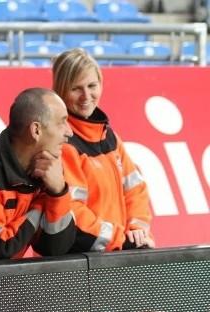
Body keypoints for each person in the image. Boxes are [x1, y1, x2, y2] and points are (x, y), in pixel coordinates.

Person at [52, 48, 154, 252]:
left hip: (116, 253)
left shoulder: (109, 136)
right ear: (61, 91)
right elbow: (72, 212)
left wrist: (136, 230)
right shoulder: (61, 143)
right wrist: (121, 240)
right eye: (76, 88)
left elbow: (136, 189)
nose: (86, 96)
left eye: (92, 86)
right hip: (82, 263)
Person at [0, 87, 76, 259]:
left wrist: (58, 191)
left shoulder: (49, 167)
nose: (69, 132)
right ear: (36, 130)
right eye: (61, 123)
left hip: (7, 282)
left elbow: (55, 248)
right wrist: (40, 206)